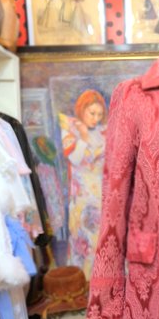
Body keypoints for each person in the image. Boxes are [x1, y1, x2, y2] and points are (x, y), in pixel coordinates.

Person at [60, 90, 107, 278]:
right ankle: (83, 280)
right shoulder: (70, 131)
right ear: (82, 110)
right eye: (92, 113)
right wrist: (84, 137)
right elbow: (75, 159)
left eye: (99, 114)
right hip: (81, 198)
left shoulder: (104, 133)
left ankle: (102, 280)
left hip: (102, 195)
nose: (96, 118)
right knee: (83, 240)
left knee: (101, 238)